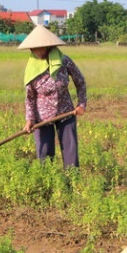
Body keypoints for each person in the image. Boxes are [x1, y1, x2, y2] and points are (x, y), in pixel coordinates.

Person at [18, 25, 87, 168]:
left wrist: (81, 104)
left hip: (66, 113)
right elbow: (30, 98)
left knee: (70, 154)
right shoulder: (31, 68)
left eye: (39, 47)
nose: (35, 51)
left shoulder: (64, 61)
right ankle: (47, 184)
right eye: (33, 48)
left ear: (48, 46)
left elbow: (80, 81)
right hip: (42, 118)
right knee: (44, 155)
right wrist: (30, 119)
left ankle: (71, 184)